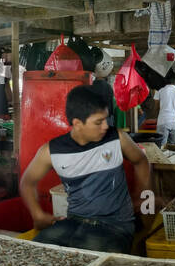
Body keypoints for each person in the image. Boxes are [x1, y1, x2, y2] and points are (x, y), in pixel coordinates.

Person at [21, 81, 149, 253]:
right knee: (35, 253)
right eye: (98, 122)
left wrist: (144, 195)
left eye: (105, 119)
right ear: (77, 123)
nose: (105, 126)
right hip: (74, 222)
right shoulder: (52, 151)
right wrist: (37, 214)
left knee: (90, 261)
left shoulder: (117, 138)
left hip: (115, 226)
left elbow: (141, 161)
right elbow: (27, 182)